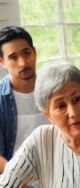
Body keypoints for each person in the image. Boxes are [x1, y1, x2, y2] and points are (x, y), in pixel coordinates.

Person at [0, 26, 47, 173]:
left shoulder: (52, 88)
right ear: (2, 62)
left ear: (34, 52)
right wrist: (19, 179)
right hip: (16, 175)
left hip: (58, 170)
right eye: (13, 57)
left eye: (26, 53)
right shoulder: (1, 99)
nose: (23, 63)